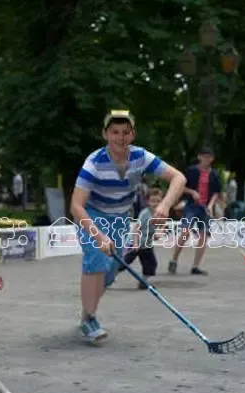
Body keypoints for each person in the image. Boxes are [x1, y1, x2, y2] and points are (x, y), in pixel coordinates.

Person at [71, 110, 186, 345]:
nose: (120, 137)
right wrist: (98, 235)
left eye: (125, 132)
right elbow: (75, 205)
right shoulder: (94, 163)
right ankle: (90, 318)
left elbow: (178, 178)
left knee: (111, 270)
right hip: (93, 216)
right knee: (96, 258)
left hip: (121, 218)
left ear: (132, 135)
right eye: (114, 132)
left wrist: (164, 206)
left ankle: (86, 315)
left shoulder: (140, 157)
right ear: (105, 134)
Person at [169, 146, 222, 276]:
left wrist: (210, 205)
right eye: (204, 156)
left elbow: (216, 192)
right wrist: (192, 192)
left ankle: (195, 266)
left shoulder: (214, 174)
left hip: (205, 208)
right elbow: (180, 186)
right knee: (185, 232)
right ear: (199, 157)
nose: (206, 159)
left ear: (212, 159)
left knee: (203, 236)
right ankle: (174, 260)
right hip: (191, 206)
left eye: (209, 157)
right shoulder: (191, 171)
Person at [119, 187, 165, 289]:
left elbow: (161, 227)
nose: (156, 204)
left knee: (151, 264)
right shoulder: (145, 213)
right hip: (134, 242)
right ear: (148, 201)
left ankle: (143, 282)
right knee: (123, 263)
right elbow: (136, 229)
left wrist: (158, 234)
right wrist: (135, 243)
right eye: (153, 201)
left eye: (158, 201)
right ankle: (106, 278)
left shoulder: (161, 214)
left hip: (146, 244)